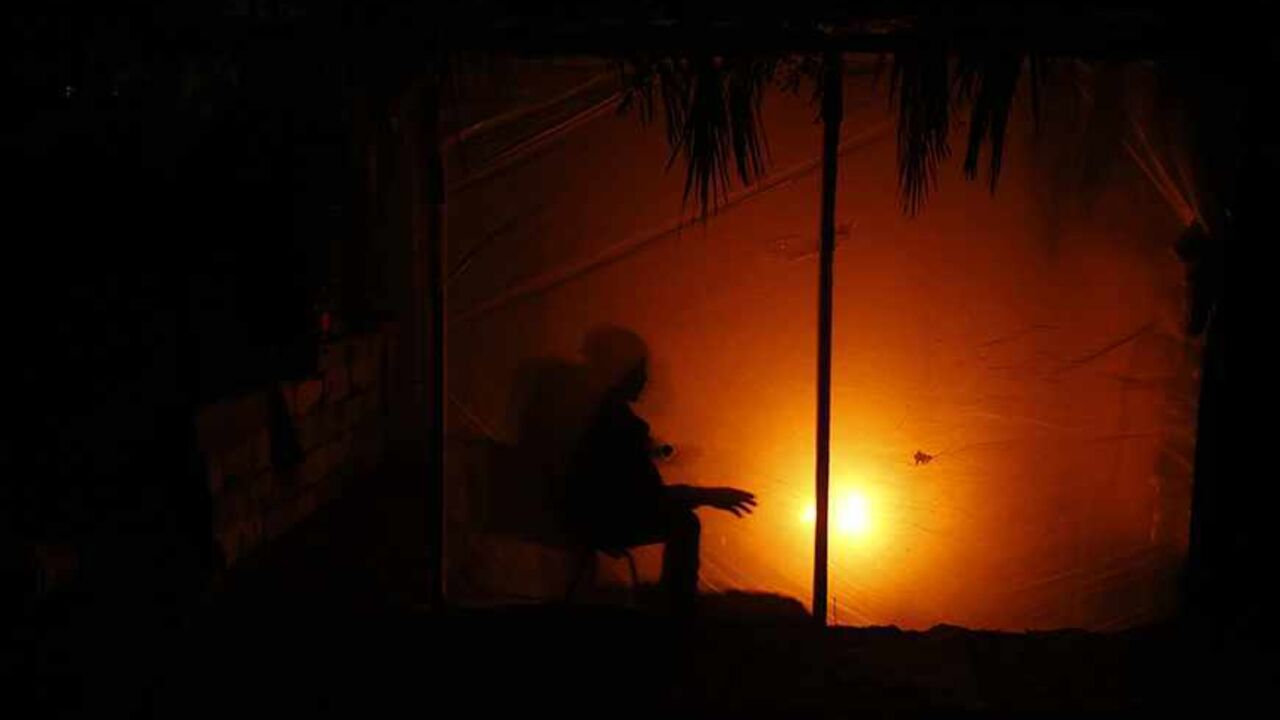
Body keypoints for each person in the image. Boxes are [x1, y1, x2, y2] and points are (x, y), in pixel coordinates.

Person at [566, 326, 756, 614]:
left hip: (573, 512)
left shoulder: (583, 413)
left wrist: (651, 453)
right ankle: (677, 618)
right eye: (639, 369)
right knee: (684, 523)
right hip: (599, 519)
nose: (645, 379)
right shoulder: (619, 424)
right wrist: (707, 495)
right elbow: (646, 497)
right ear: (619, 370)